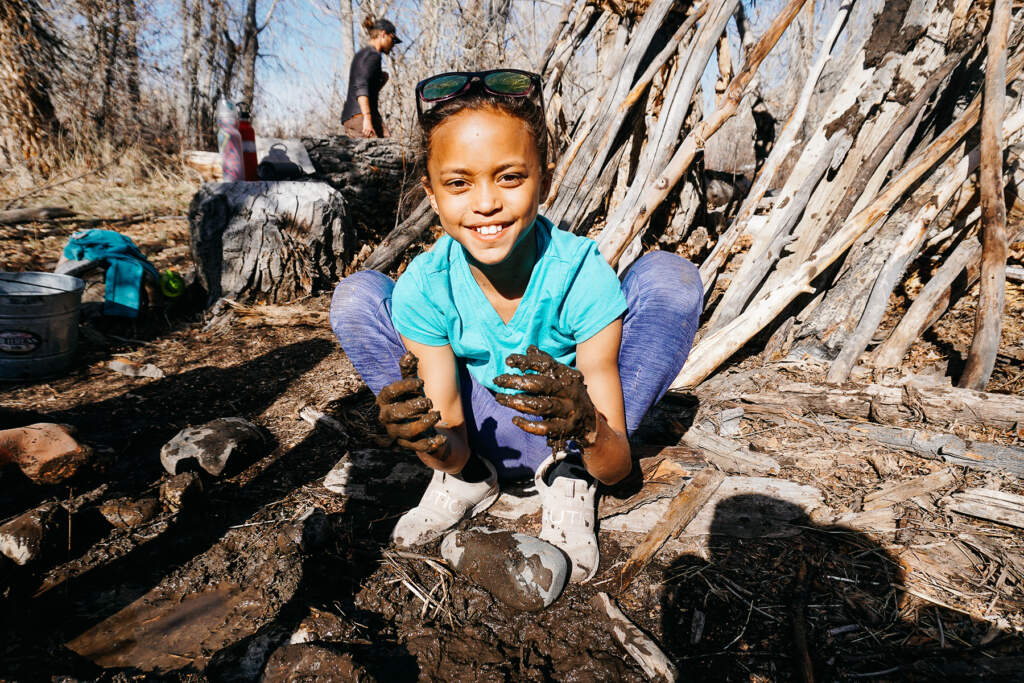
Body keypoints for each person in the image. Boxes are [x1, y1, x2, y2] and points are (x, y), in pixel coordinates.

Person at [330, 69, 703, 583]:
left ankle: (571, 481)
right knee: (357, 296)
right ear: (432, 193)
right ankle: (466, 483)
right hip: (480, 439)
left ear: (544, 179)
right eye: (459, 183)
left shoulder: (580, 273)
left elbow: (618, 469)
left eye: (509, 176)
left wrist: (588, 428)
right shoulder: (426, 285)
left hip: (574, 439)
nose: (485, 203)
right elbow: (452, 432)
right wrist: (428, 440)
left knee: (671, 277)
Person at [341, 17, 401, 138]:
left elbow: (364, 88)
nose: (393, 45)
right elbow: (360, 86)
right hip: (360, 118)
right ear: (383, 34)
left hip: (357, 117)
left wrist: (380, 82)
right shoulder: (372, 55)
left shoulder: (364, 54)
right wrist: (367, 119)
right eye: (393, 39)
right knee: (386, 153)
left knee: (388, 146)